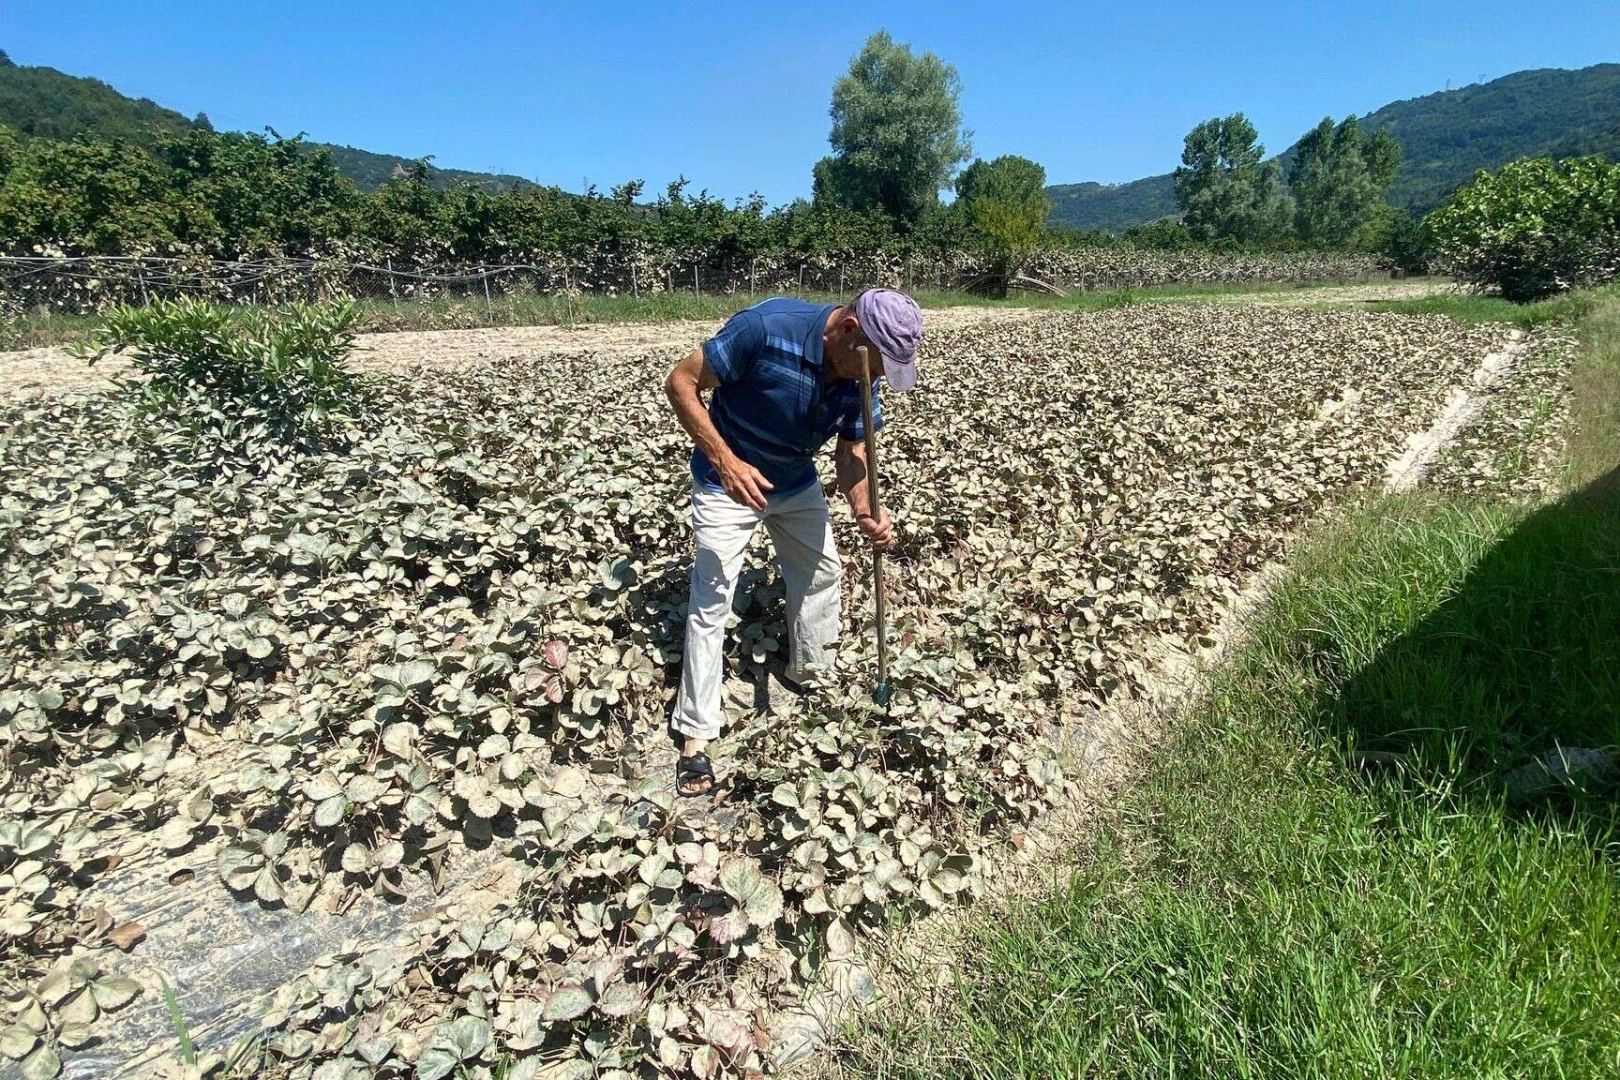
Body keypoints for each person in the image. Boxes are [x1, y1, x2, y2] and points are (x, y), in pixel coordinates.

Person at [662, 288, 923, 796]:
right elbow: (682, 383)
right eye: (873, 366)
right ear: (849, 331)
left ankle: (812, 678)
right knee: (712, 597)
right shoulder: (765, 330)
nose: (874, 381)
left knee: (823, 571)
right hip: (728, 481)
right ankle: (696, 735)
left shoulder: (858, 375)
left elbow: (852, 455)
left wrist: (867, 508)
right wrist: (726, 462)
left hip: (794, 479)